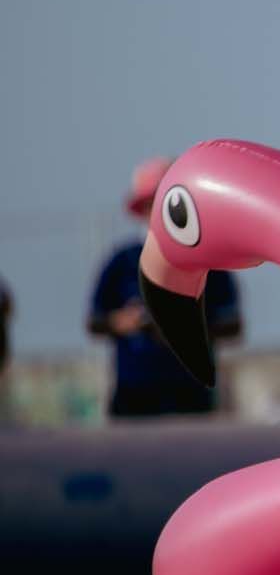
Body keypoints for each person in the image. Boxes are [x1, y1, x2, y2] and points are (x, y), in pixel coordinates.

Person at [89, 157, 243, 418]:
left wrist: (185, 327)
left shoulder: (209, 263)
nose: (160, 212)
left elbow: (233, 325)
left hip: (191, 395)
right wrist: (124, 322)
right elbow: (95, 322)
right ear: (142, 210)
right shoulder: (121, 263)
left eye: (169, 202)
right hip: (134, 396)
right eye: (153, 204)